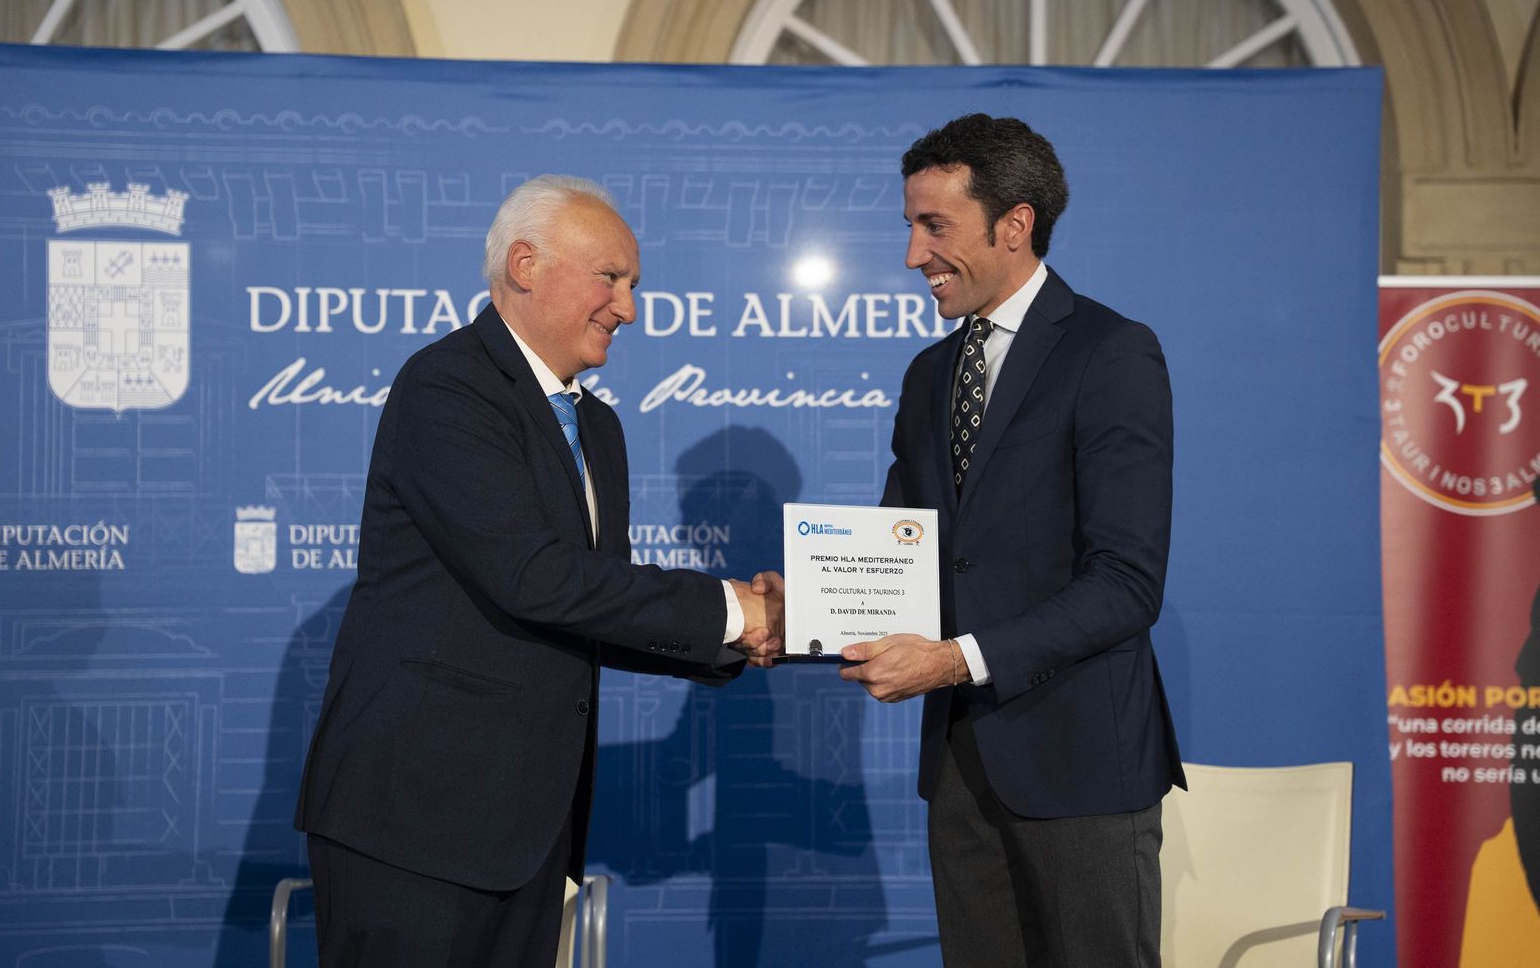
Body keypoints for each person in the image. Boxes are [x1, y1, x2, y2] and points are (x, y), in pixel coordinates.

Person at [294, 175, 782, 967]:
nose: (628, 308)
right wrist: (734, 609)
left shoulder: (598, 425)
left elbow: (591, 603)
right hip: (415, 823)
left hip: (529, 830)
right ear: (524, 264)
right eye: (611, 278)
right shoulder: (447, 385)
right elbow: (532, 575)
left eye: (633, 286)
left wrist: (747, 637)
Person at [839, 114, 1185, 967]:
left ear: (1015, 224)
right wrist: (795, 604)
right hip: (962, 771)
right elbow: (899, 551)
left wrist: (956, 659)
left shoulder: (1111, 353)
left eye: (935, 227)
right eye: (911, 227)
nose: (915, 255)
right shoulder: (929, 374)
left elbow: (1127, 584)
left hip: (1083, 772)